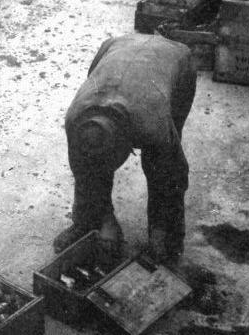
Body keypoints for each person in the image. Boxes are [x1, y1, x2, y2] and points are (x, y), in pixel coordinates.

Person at [54, 34, 197, 265]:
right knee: (89, 172)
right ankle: (89, 223)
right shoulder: (75, 119)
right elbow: (84, 172)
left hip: (176, 61)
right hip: (115, 47)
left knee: (162, 166)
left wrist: (159, 234)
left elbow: (174, 174)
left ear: (126, 145)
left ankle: (166, 236)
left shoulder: (151, 123)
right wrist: (106, 219)